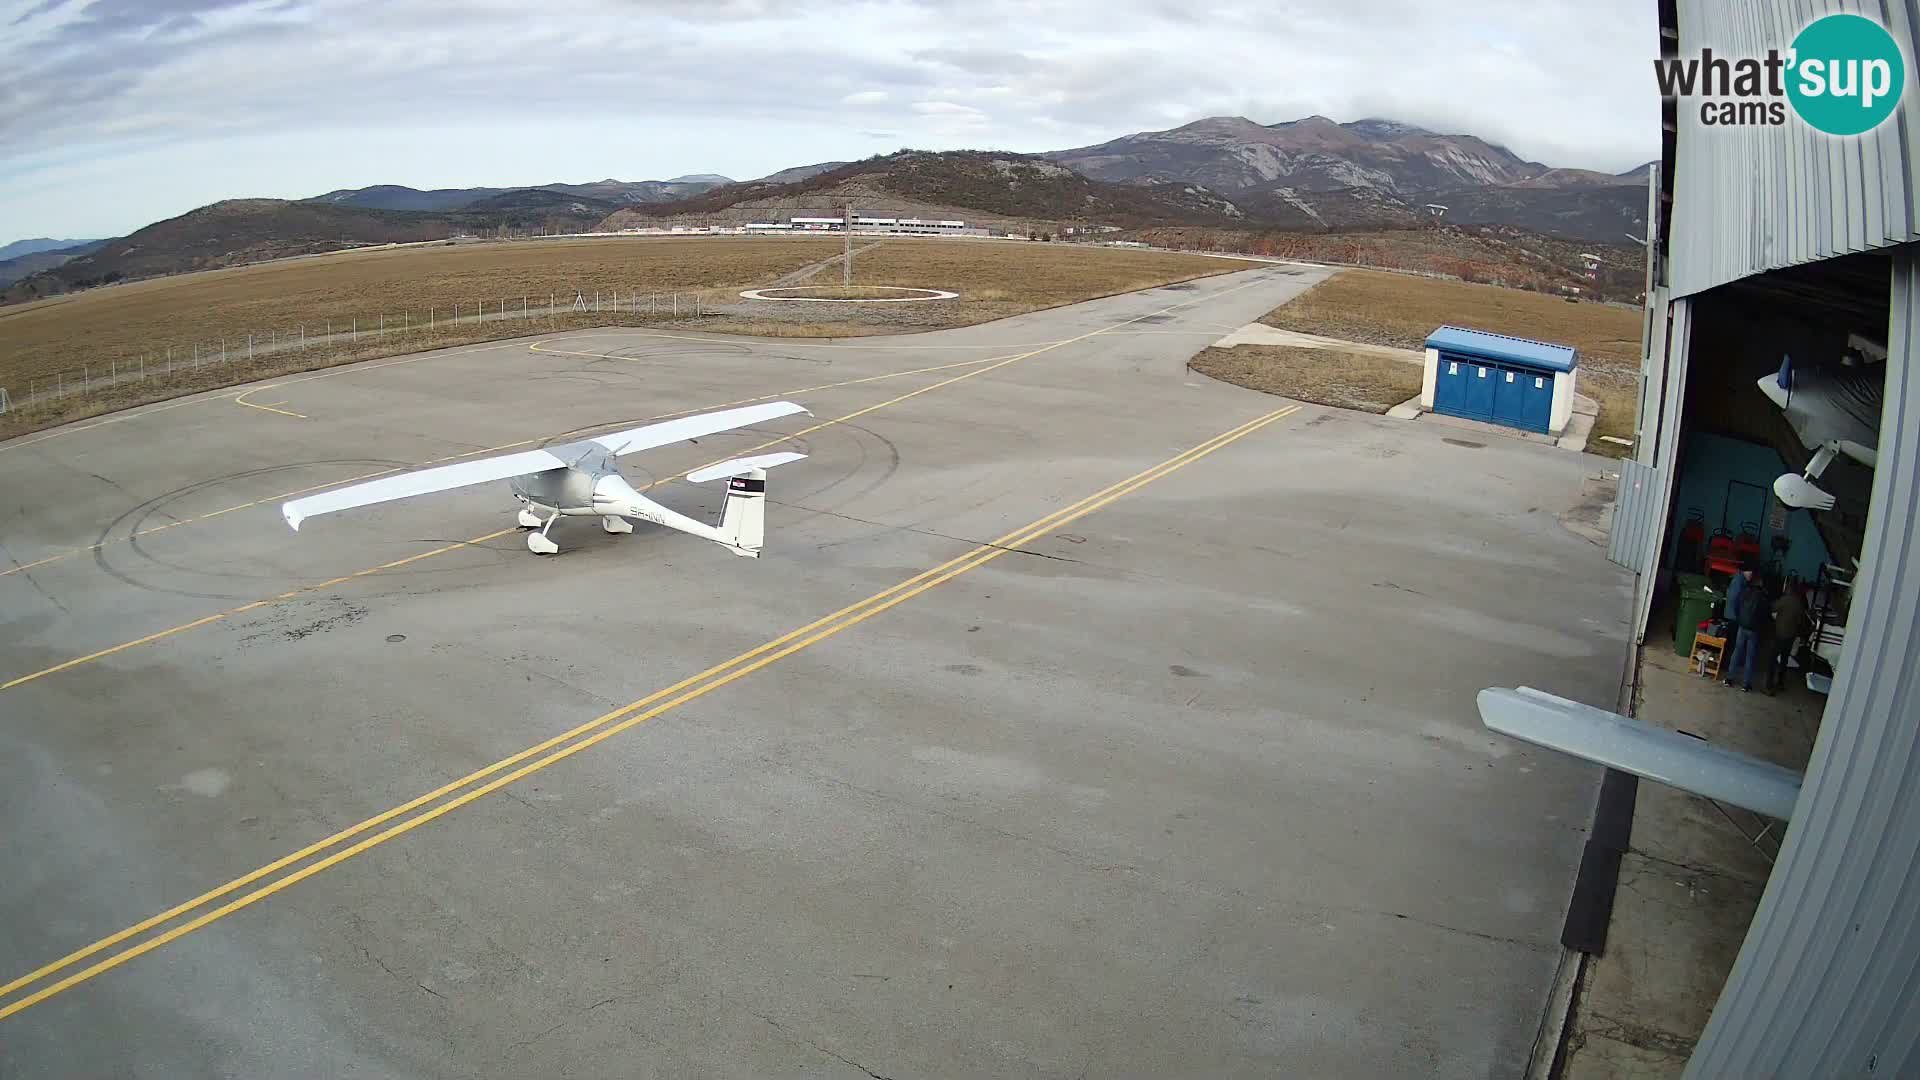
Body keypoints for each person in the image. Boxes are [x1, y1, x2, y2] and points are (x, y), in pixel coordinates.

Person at [1724, 565, 1769, 692]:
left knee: (1736, 652)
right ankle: (1745, 684)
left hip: (1742, 627)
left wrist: (1739, 619)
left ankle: (1729, 678)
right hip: (1754, 630)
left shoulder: (1745, 591)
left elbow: (1738, 606)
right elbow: (1765, 616)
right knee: (1750, 656)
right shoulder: (1763, 597)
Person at [1767, 584, 1812, 693]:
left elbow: (1772, 607)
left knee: (1772, 660)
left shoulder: (1784, 600)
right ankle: (1780, 683)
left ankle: (1769, 686)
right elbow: (1801, 621)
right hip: (1791, 636)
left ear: (1788, 590)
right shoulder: (1799, 604)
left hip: (1779, 634)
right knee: (1784, 660)